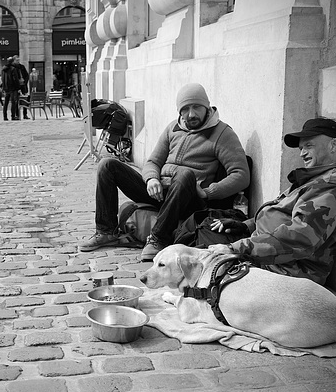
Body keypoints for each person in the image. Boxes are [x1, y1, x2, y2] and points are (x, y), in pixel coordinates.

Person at [79, 83, 250, 261]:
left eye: (197, 107)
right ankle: (106, 231)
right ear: (179, 111)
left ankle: (158, 239)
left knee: (185, 173)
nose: (191, 114)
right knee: (107, 165)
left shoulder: (222, 133)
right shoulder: (172, 128)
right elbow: (153, 161)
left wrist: (208, 192)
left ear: (207, 106)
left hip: (189, 197)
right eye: (185, 109)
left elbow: (241, 174)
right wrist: (152, 179)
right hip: (161, 192)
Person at [209, 118, 336, 285]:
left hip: (287, 270)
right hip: (267, 256)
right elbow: (282, 212)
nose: (302, 153)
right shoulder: (318, 176)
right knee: (205, 230)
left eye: (309, 146)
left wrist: (236, 249)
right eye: (301, 148)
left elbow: (301, 237)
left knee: (201, 265)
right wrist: (247, 225)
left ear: (333, 145)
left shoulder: (333, 183)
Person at [13, 55, 30, 119]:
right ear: (14, 60)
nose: (18, 61)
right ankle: (17, 114)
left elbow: (27, 75)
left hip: (23, 85)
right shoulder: (13, 67)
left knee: (25, 99)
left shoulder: (22, 67)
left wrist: (25, 82)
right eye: (16, 60)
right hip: (17, 86)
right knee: (17, 101)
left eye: (18, 60)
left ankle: (25, 114)